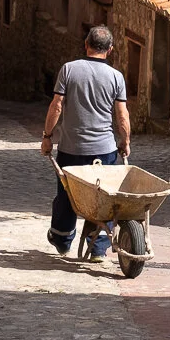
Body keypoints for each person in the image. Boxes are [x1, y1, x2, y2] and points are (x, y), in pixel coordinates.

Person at [42, 25, 131, 258]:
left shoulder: (68, 70)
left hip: (71, 149)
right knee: (103, 197)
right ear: (110, 50)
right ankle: (98, 249)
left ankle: (62, 239)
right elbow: (122, 115)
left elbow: (56, 105)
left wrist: (47, 137)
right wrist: (125, 141)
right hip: (104, 150)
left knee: (67, 195)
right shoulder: (116, 77)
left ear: (86, 45)